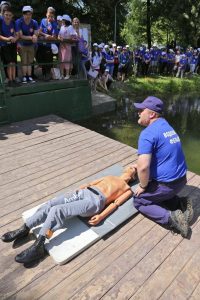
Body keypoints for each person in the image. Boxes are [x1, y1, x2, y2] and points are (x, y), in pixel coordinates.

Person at [1, 166, 137, 264]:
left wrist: (101, 216)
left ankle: (39, 245)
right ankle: (25, 228)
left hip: (95, 202)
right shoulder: (110, 176)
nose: (131, 169)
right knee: (51, 204)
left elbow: (116, 204)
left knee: (58, 210)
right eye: (131, 167)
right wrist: (77, 191)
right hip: (84, 193)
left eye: (134, 170)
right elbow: (90, 183)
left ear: (133, 177)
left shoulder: (127, 190)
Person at [132, 96, 193, 238]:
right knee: (159, 192)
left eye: (142, 110)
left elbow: (143, 168)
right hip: (181, 180)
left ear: (152, 114)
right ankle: (180, 203)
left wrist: (142, 185)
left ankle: (172, 219)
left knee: (139, 201)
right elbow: (163, 154)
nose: (138, 112)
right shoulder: (166, 126)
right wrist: (142, 165)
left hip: (168, 185)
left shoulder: (147, 133)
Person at [15, 6, 38, 83]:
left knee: (30, 61)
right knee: (24, 61)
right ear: (23, 14)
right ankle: (25, 77)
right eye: (26, 14)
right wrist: (32, 37)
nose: (28, 16)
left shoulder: (34, 22)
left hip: (31, 45)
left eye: (30, 14)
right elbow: (21, 36)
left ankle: (29, 76)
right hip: (22, 45)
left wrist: (35, 36)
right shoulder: (19, 21)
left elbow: (36, 33)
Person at [37, 7, 58, 81]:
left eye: (52, 16)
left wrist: (48, 37)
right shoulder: (43, 21)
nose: (50, 18)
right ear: (46, 14)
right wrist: (46, 35)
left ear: (54, 16)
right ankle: (44, 75)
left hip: (49, 46)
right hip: (41, 45)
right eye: (49, 16)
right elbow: (39, 31)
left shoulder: (54, 24)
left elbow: (54, 37)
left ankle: (48, 76)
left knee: (48, 61)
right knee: (42, 61)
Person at [0, 6, 19, 87]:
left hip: (13, 45)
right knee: (9, 63)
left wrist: (15, 38)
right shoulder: (0, 22)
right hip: (4, 45)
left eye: (9, 15)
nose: (8, 16)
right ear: (3, 14)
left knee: (14, 62)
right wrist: (7, 39)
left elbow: (17, 34)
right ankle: (10, 80)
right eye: (6, 15)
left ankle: (14, 79)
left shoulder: (14, 22)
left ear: (12, 15)